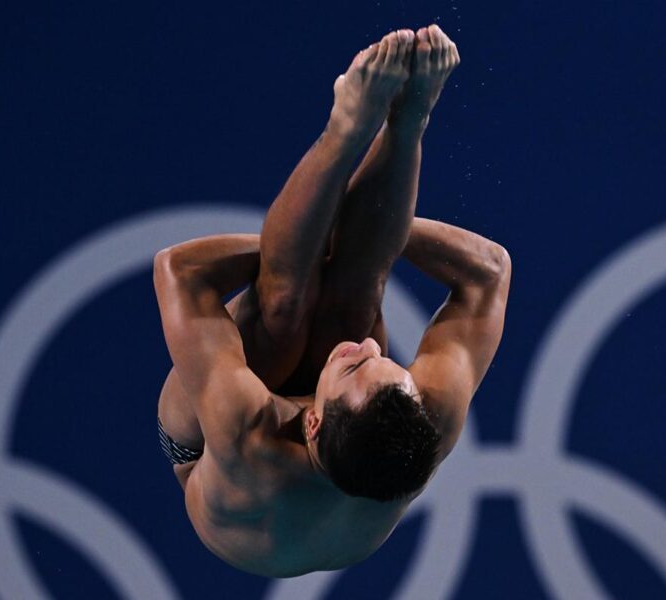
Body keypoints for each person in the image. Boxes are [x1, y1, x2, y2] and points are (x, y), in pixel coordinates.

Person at [154, 24, 511, 577]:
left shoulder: (248, 432)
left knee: (283, 305)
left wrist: (314, 236)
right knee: (359, 288)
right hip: (347, 448)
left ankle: (344, 128)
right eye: (386, 362)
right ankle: (408, 119)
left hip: (202, 451)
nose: (370, 345)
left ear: (312, 423)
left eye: (356, 365)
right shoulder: (428, 417)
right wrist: (371, 235)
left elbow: (180, 270)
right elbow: (488, 272)